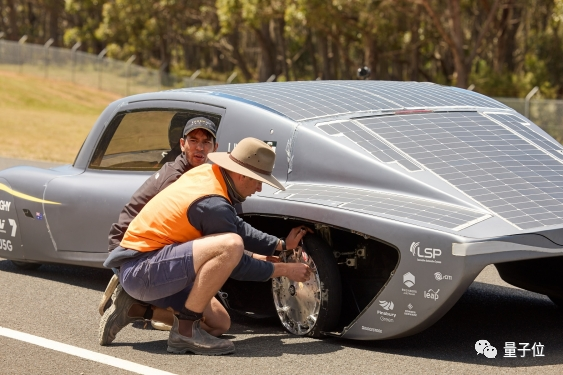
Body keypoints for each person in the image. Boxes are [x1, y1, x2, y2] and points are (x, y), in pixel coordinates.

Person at [100, 138, 312, 355]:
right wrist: (284, 271)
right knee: (231, 245)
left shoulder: (210, 174)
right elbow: (235, 262)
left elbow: (235, 226)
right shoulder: (213, 203)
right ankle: (185, 333)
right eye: (258, 181)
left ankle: (136, 308)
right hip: (142, 270)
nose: (259, 188)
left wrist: (280, 245)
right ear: (241, 175)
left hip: (153, 266)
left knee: (219, 324)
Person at [98, 116, 219, 330]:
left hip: (145, 249)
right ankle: (138, 305)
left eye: (206, 142)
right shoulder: (175, 179)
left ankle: (140, 301)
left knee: (215, 316)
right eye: (193, 140)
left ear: (215, 148)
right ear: (182, 144)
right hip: (133, 255)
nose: (200, 147)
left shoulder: (197, 174)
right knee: (208, 323)